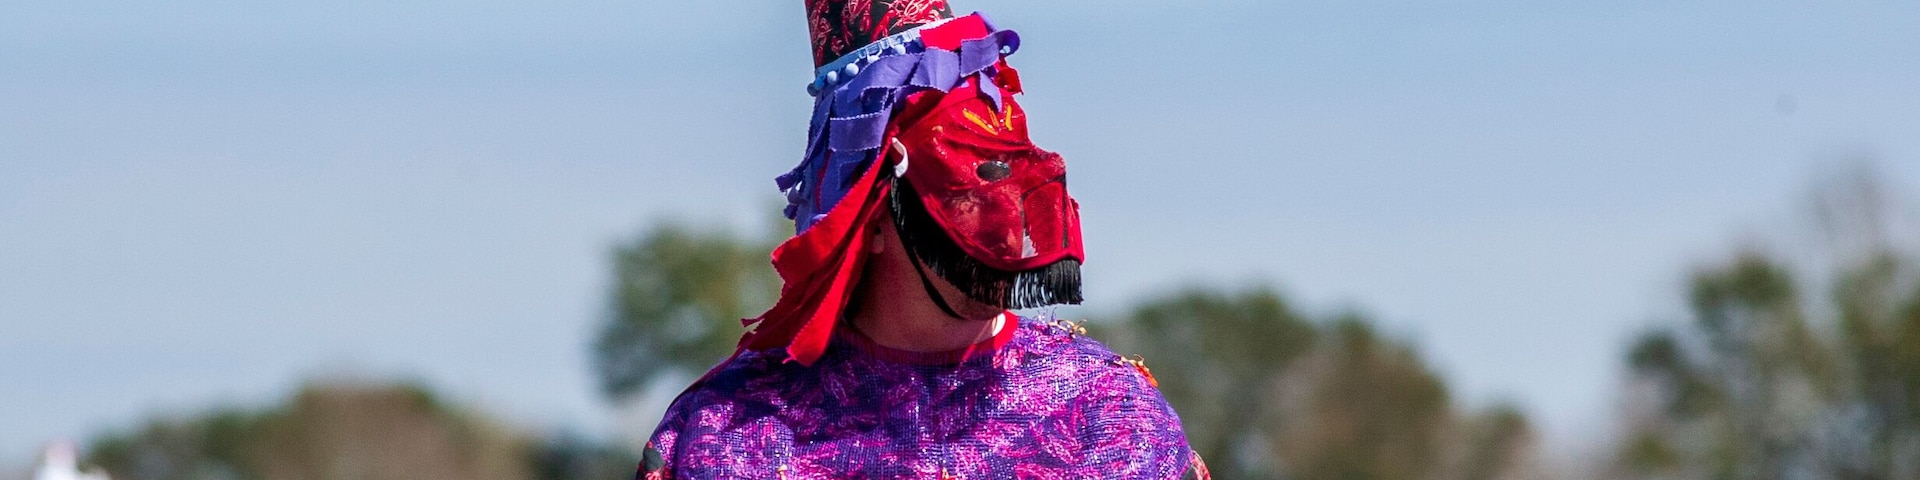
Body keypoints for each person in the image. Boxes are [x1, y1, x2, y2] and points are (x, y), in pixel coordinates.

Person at [638, 2, 1208, 478]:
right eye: (972, 182)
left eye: (1009, 173)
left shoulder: (1107, 414)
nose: (1005, 216)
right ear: (874, 215)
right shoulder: (727, 434)